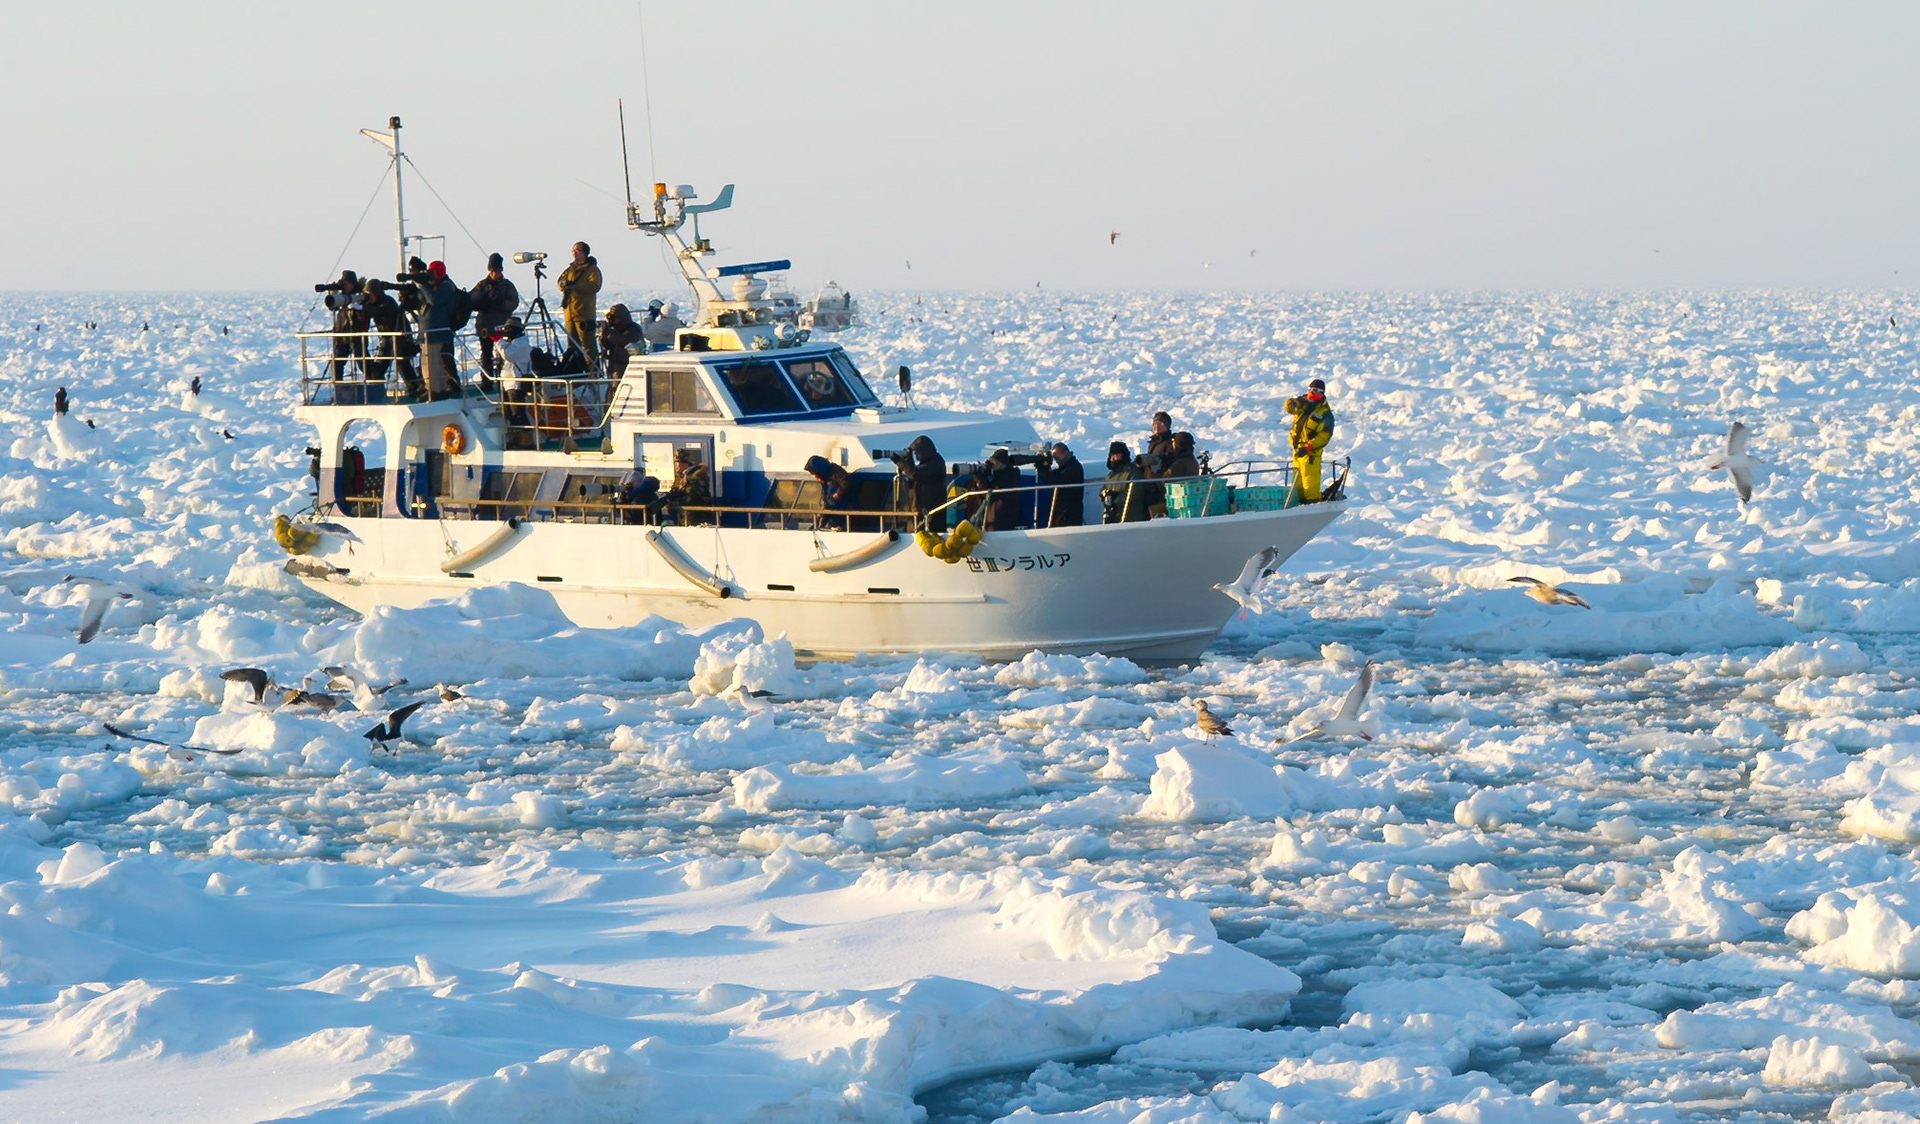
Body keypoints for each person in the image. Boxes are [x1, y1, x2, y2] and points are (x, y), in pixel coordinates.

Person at [360, 279, 420, 398]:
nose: (369, 297)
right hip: (387, 339)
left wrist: (361, 308)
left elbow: (378, 311)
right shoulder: (373, 304)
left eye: (370, 294)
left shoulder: (388, 302)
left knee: (403, 365)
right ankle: (378, 393)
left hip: (400, 338)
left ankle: (415, 389)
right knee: (378, 367)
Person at [469, 253, 520, 384]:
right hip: (485, 326)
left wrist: (501, 303)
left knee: (504, 355)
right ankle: (486, 380)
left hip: (502, 326)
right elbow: (470, 299)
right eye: (492, 271)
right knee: (486, 355)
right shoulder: (482, 285)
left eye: (497, 271)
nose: (495, 274)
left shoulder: (507, 286)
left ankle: (503, 380)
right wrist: (482, 299)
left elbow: (514, 302)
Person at [416, 260, 463, 398]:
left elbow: (434, 300)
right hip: (428, 332)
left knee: (434, 363)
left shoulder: (446, 286)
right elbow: (421, 297)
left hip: (438, 332)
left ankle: (435, 390)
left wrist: (423, 285)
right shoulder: (433, 286)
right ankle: (430, 387)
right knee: (426, 363)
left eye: (433, 272)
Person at [1284, 378, 1335, 502]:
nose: (1315, 393)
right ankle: (1298, 506)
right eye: (1313, 390)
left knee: (1310, 484)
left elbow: (1324, 437)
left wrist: (1308, 447)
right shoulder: (1303, 404)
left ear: (1323, 393)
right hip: (1297, 452)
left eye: (1318, 391)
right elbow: (1290, 408)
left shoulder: (1325, 413)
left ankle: (1313, 504)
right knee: (1297, 486)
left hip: (1310, 454)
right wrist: (1292, 402)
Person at [556, 241, 603, 367]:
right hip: (570, 314)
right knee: (572, 346)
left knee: (588, 346)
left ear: (585, 253)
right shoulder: (570, 270)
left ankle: (593, 372)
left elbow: (594, 286)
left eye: (577, 250)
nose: (574, 253)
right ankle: (576, 371)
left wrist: (576, 287)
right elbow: (560, 281)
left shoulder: (592, 270)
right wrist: (564, 285)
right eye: (573, 251)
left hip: (584, 315)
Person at [325, 270, 367, 379]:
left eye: (346, 284)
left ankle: (373, 387)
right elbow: (332, 307)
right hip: (342, 335)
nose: (344, 287)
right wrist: (332, 294)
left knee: (364, 364)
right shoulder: (342, 297)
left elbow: (366, 311)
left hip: (357, 335)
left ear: (352, 284)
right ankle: (339, 390)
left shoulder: (361, 294)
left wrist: (358, 306)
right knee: (337, 364)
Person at [493, 316, 533, 430]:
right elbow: (500, 354)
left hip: (516, 383)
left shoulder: (521, 344)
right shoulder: (514, 343)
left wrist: (497, 340)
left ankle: (526, 440)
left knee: (518, 413)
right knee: (509, 414)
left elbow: (508, 355)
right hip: (508, 382)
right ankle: (517, 437)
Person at [1033, 442, 1085, 527]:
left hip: (1068, 515)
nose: (1055, 459)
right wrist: (1044, 467)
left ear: (1065, 453)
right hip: (1063, 513)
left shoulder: (1073, 468)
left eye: (1056, 455)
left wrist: (1042, 470)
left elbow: (1056, 480)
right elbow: (1054, 476)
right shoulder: (1068, 467)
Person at [1101, 441, 1152, 524]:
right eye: (1111, 455)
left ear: (1123, 455)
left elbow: (1135, 493)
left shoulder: (1133, 472)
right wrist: (1105, 495)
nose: (1113, 458)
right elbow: (1103, 490)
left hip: (1130, 517)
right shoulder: (1110, 475)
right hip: (1113, 517)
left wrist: (1114, 501)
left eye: (1116, 455)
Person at [664, 448, 712, 525]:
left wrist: (672, 501)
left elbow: (692, 498)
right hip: (684, 517)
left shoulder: (697, 477)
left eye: (679, 463)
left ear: (686, 463)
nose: (677, 465)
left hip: (697, 519)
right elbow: (675, 490)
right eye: (676, 463)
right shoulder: (681, 476)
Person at [980, 448, 1024, 531]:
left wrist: (981, 479)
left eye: (994, 462)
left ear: (1002, 463)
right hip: (993, 521)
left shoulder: (1008, 478)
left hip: (1001, 523)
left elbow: (990, 495)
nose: (992, 464)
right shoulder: (999, 476)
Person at [599, 304, 644, 377]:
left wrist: (609, 332)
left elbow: (625, 341)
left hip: (627, 365)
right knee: (612, 386)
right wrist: (603, 334)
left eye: (614, 318)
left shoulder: (634, 328)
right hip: (614, 364)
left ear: (621, 318)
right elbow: (607, 345)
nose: (612, 320)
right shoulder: (614, 329)